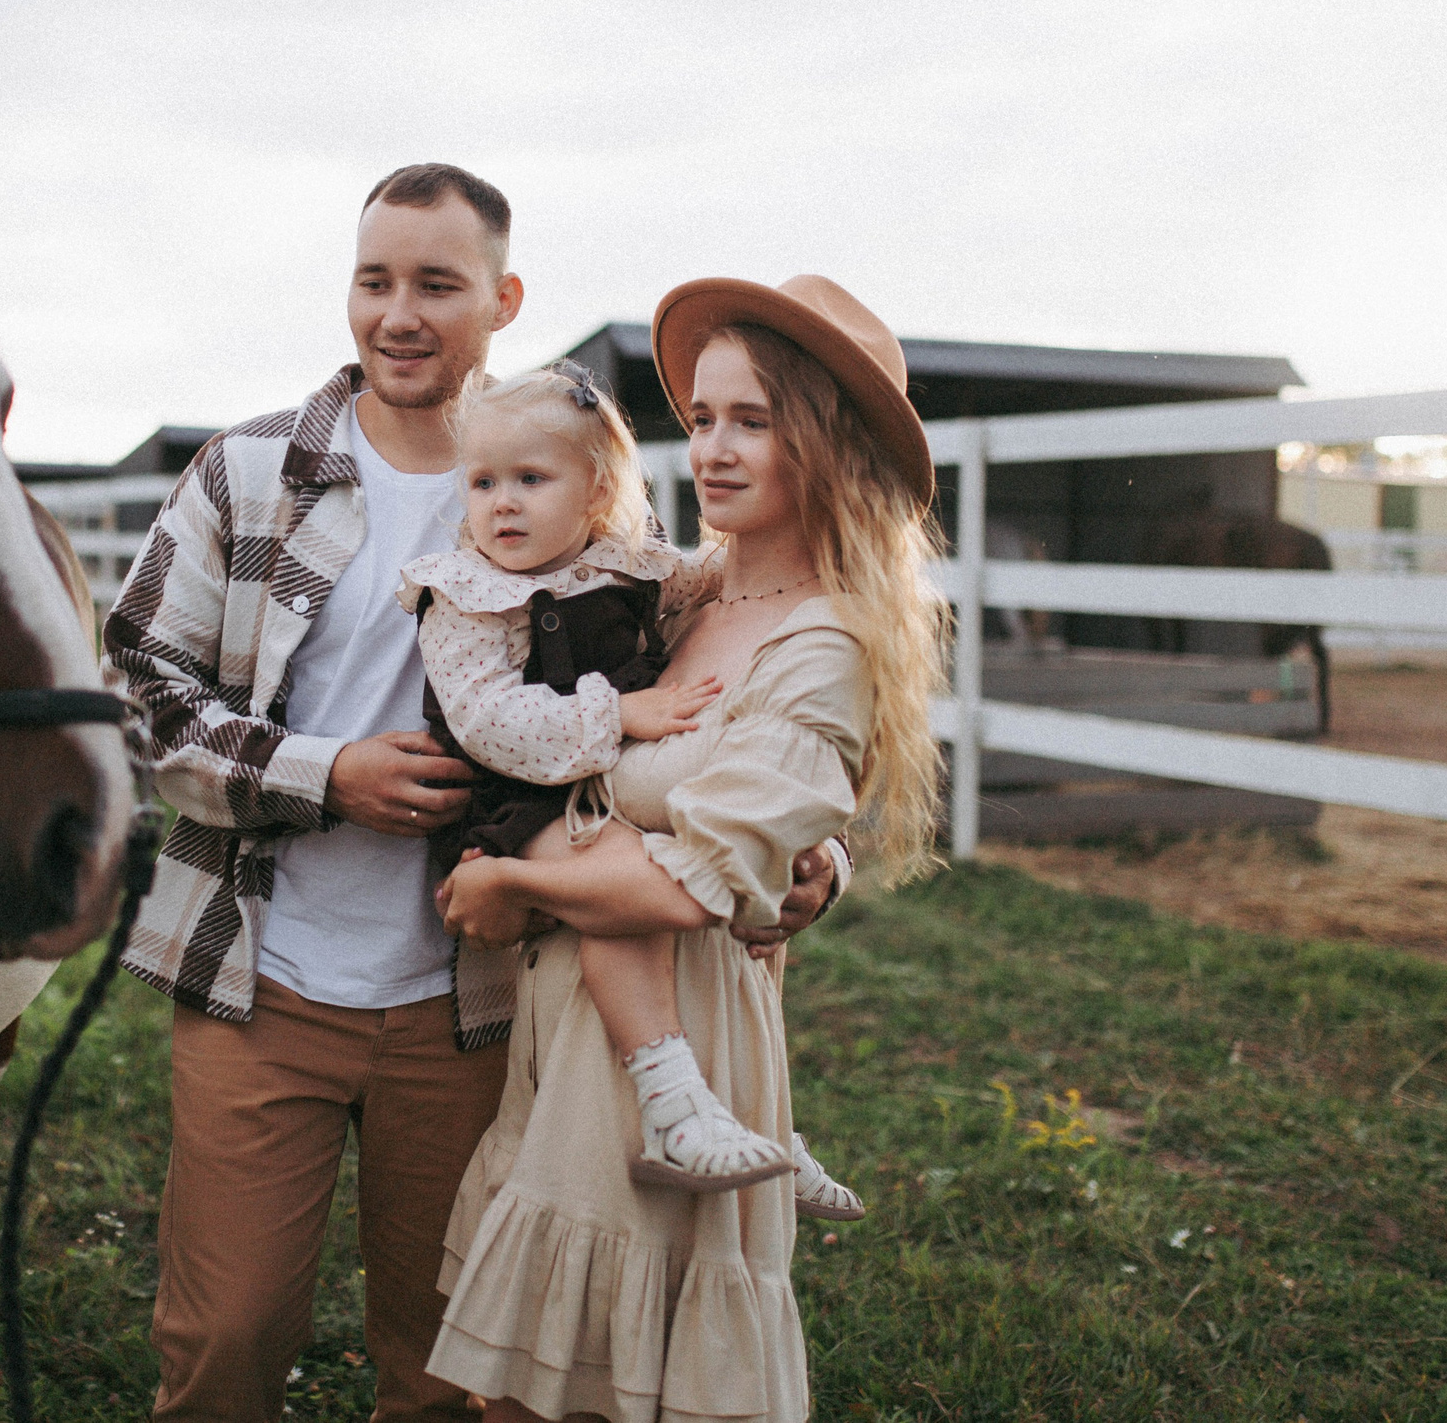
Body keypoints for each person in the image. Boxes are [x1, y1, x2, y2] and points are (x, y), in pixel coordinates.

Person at [105, 171, 846, 1423]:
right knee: (226, 1337)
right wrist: (323, 774)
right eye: (373, 280)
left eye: (436, 285)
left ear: (501, 300)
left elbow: (715, 698)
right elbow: (136, 685)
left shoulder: (588, 494)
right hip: (265, 978)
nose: (397, 313)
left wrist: (801, 851)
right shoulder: (247, 476)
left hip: (480, 1005)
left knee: (451, 1355)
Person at [425, 274, 951, 1423]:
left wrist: (512, 883)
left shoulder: (825, 642)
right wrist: (813, 860)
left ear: (827, 443)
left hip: (683, 1038)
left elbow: (688, 878)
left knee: (613, 1389)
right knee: (514, 1392)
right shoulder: (691, 594)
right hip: (575, 1026)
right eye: (702, 417)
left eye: (751, 421)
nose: (710, 449)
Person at [400, 363, 866, 1213]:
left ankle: (768, 1114)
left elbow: (716, 586)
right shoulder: (464, 594)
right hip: (515, 802)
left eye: (531, 480)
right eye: (481, 482)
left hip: (584, 794)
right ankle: (672, 1097)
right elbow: (489, 724)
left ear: (596, 492)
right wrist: (620, 713)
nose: (501, 503)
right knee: (618, 875)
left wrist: (826, 849)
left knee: (713, 906)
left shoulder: (622, 567)